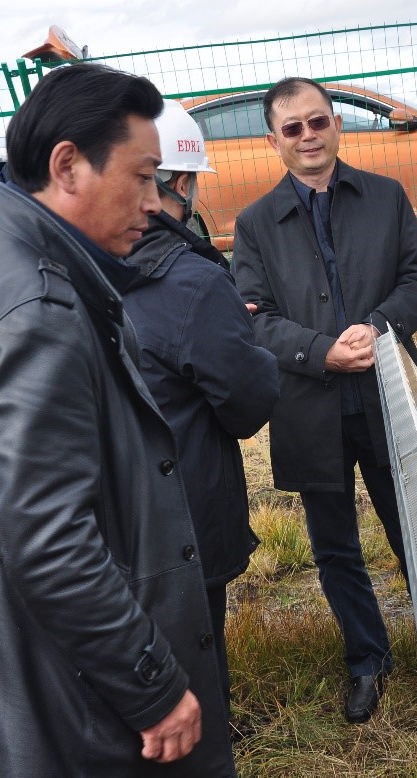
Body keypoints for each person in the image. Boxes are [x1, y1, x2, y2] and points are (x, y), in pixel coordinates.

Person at [0, 63, 232, 774]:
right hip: (76, 699)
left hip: (18, 666)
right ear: (68, 165)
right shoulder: (38, 309)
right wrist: (152, 687)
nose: (155, 203)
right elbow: (50, 540)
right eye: (142, 178)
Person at [232, 76, 417, 724]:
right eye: (292, 128)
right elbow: (253, 319)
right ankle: (366, 658)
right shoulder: (254, 224)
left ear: (337, 124)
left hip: (387, 394)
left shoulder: (385, 196)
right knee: (334, 546)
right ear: (274, 140)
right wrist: (321, 351)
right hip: (310, 407)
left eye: (317, 121)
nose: (308, 136)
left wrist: (378, 328)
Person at [124, 99, 279, 728]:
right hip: (185, 508)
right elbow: (246, 405)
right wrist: (247, 347)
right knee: (195, 646)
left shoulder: (72, 264)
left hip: (106, 520)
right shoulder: (194, 281)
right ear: (180, 183)